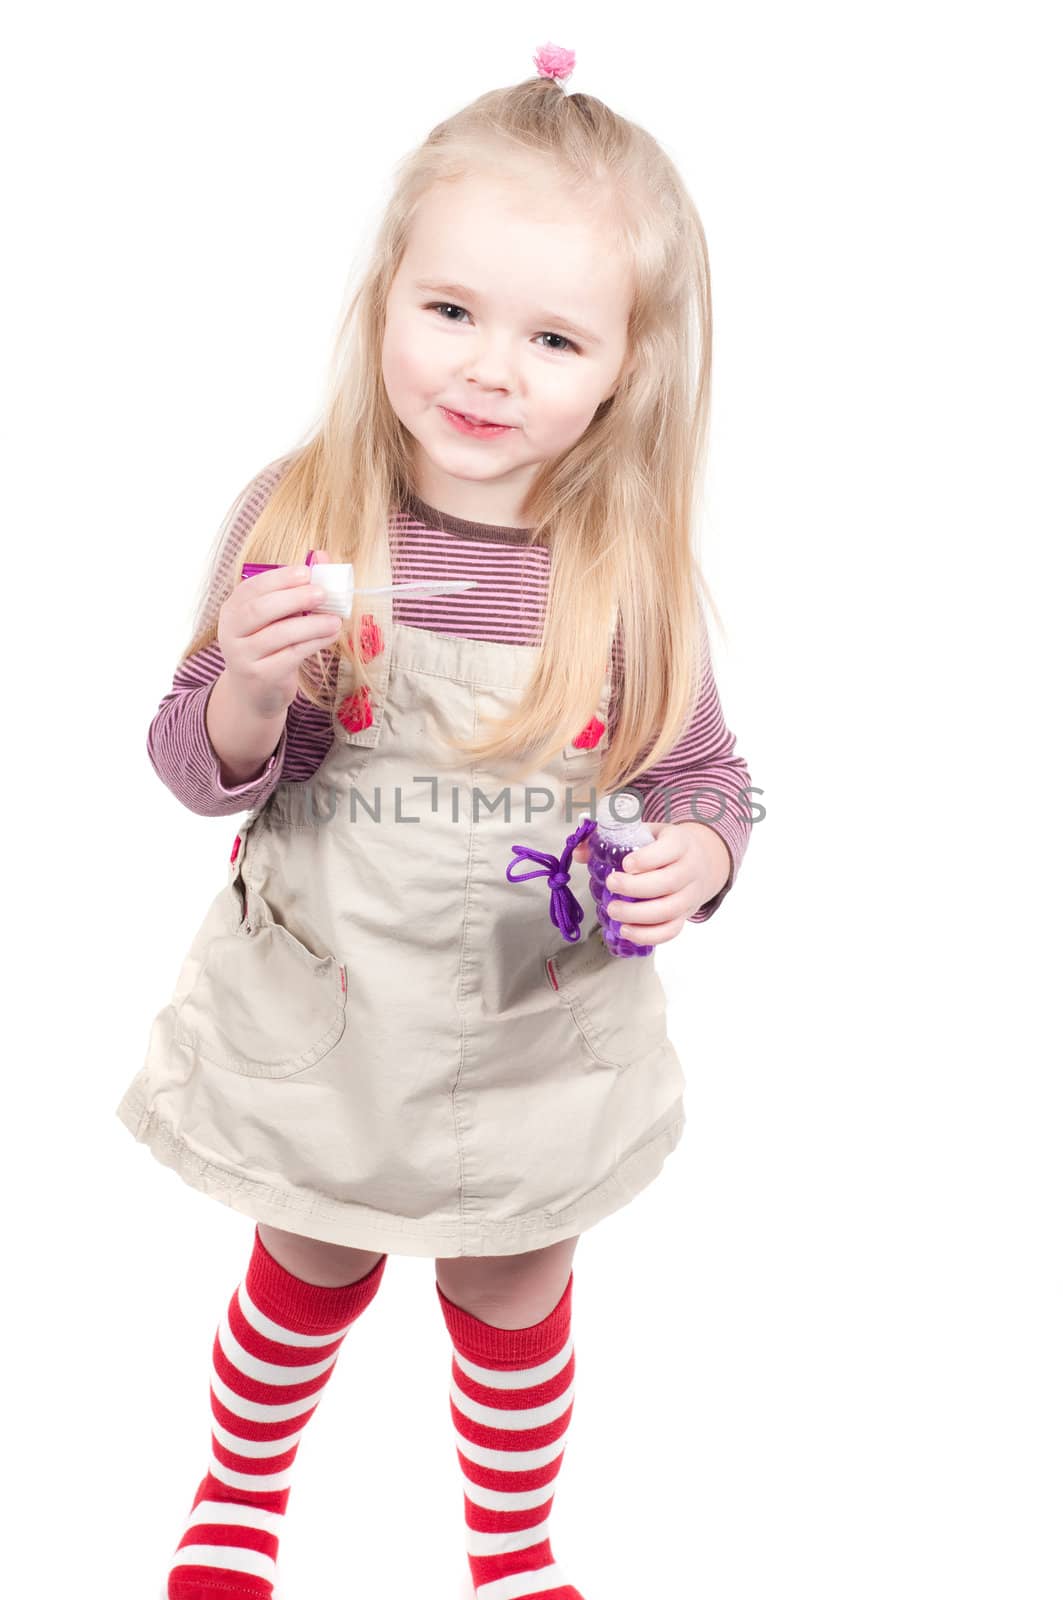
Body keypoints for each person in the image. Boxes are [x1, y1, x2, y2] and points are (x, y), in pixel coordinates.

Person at [117, 41, 755, 1600]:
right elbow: (194, 760)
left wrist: (699, 857)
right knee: (312, 1257)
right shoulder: (308, 510)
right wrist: (255, 699)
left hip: (532, 1018)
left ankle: (515, 1548)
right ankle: (235, 1495)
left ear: (629, 370)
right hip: (336, 1000)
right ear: (385, 295)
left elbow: (704, 774)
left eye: (552, 337)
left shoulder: (628, 574)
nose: (486, 368)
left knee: (517, 1279)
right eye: (451, 311)